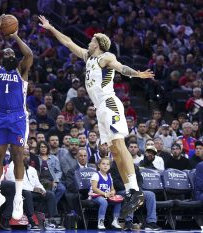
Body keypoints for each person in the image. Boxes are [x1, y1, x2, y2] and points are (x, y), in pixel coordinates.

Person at [39, 15, 155, 216]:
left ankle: (135, 190)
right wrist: (50, 28)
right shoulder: (88, 57)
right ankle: (130, 191)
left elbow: (121, 68)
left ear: (99, 44)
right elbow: (68, 42)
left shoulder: (106, 57)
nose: (89, 42)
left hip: (110, 103)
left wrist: (138, 74)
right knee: (114, 152)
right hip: (100, 108)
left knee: (120, 145)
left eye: (92, 40)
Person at [0, 14, 33, 220]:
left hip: (18, 117)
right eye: (4, 51)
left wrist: (15, 36)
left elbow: (29, 54)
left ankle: (18, 197)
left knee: (17, 155)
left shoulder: (21, 70)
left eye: (10, 51)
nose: (7, 52)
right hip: (2, 117)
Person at [90, 157, 121, 230]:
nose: (105, 166)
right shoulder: (96, 175)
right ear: (99, 166)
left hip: (106, 196)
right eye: (103, 164)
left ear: (110, 167)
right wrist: (105, 194)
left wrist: (113, 192)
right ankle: (101, 222)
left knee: (118, 201)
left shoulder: (109, 176)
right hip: (96, 196)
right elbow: (94, 188)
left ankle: (115, 221)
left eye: (107, 164)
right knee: (104, 202)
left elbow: (112, 189)